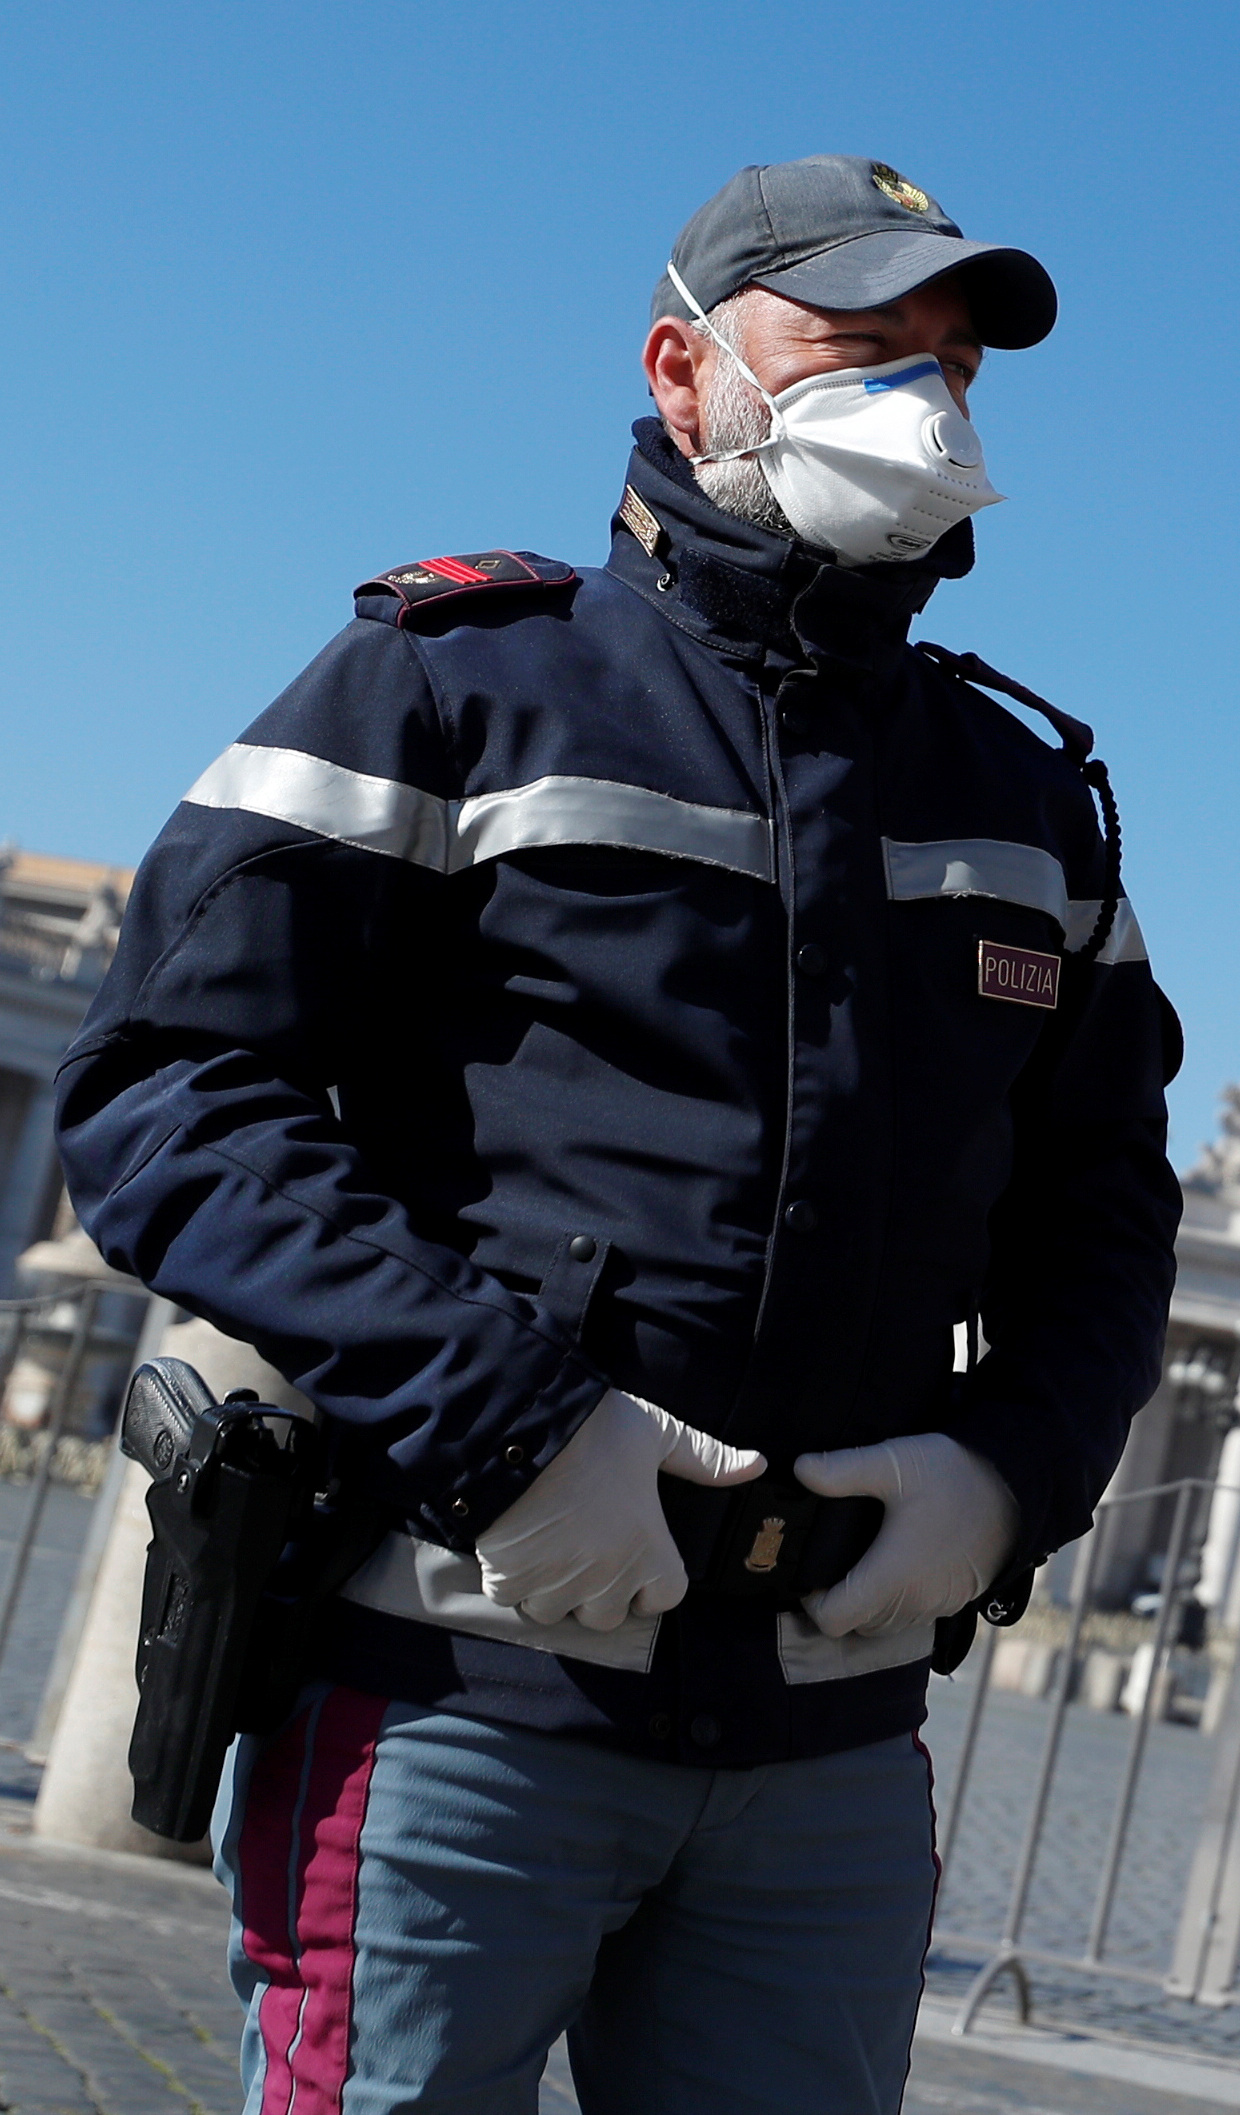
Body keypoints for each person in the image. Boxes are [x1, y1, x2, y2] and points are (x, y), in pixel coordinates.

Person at [56, 155, 1182, 2111]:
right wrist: (516, 1426)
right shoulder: (446, 684)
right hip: (451, 1692)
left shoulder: (1026, 799)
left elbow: (1107, 1207)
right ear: (686, 370)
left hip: (827, 1753)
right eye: (859, 349)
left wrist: (1006, 1476)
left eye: (956, 368)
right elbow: (164, 1094)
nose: (921, 404)